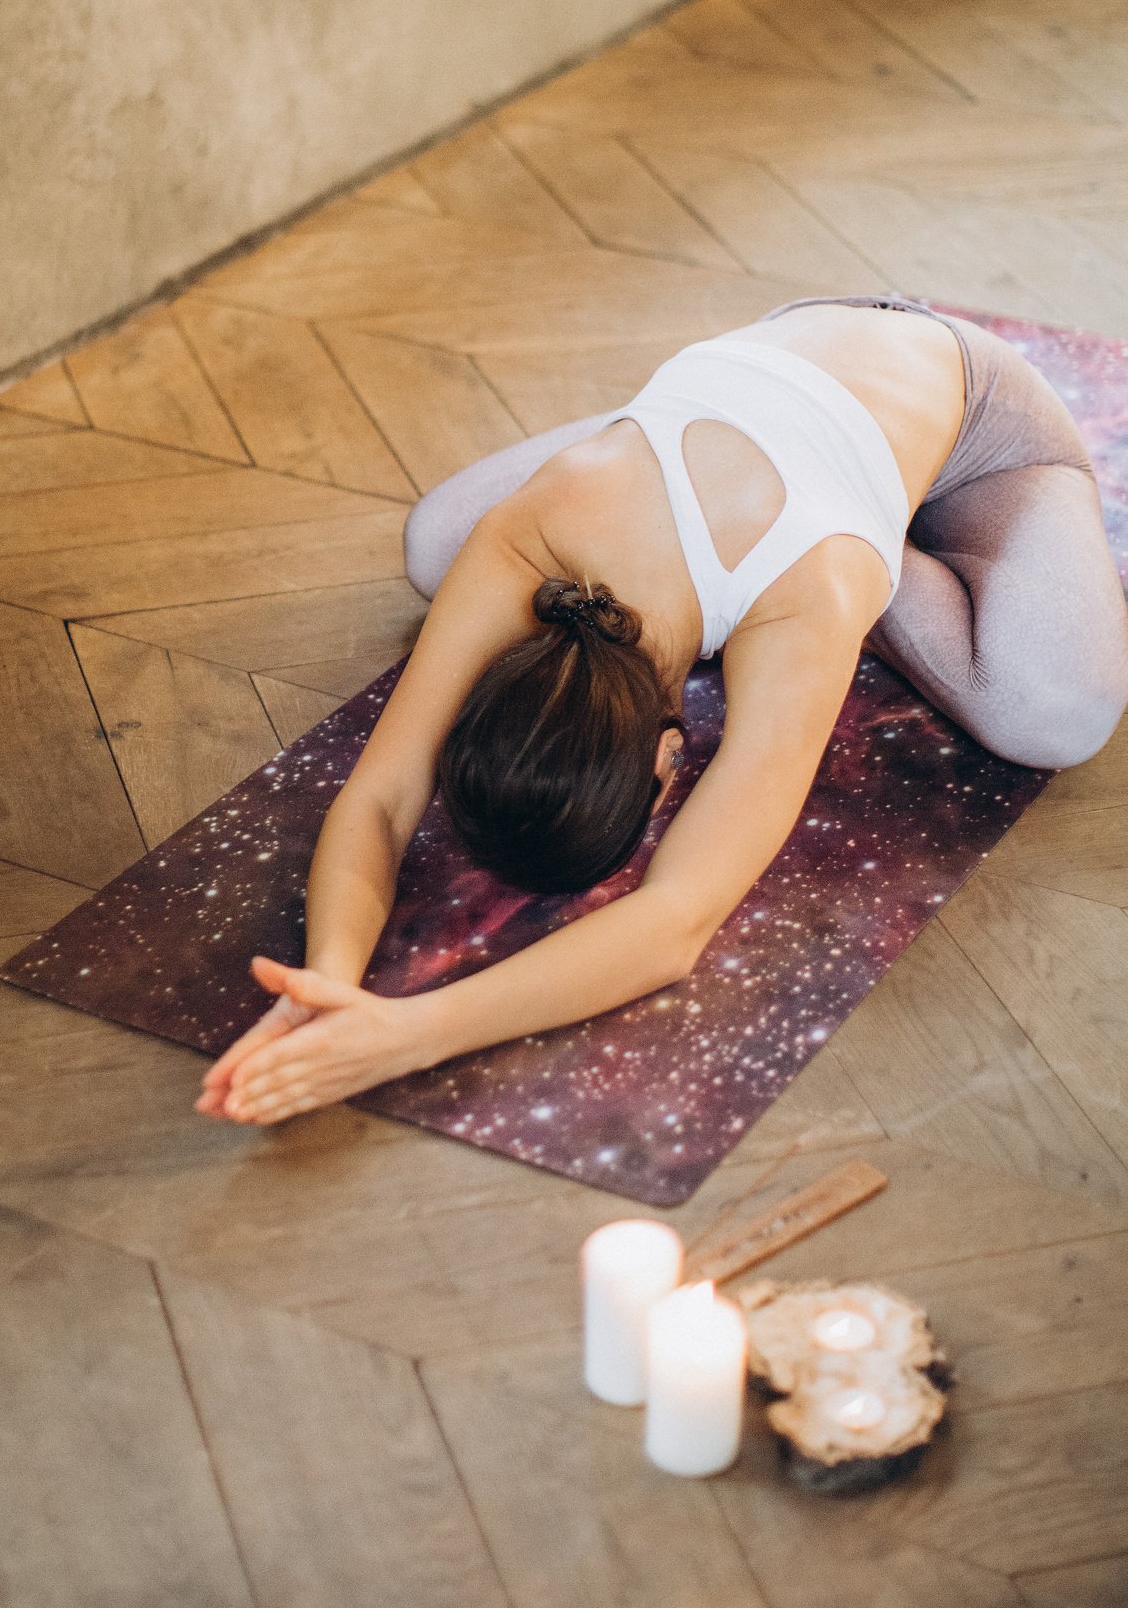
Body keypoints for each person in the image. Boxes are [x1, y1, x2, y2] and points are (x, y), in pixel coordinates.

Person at [196, 292, 1128, 1128]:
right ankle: (748, 464)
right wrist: (323, 982)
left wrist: (412, 1032)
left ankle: (895, 539)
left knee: (1054, 716)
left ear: (674, 752)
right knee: (440, 547)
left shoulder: (807, 593)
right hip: (776, 375)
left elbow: (675, 921)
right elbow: (380, 800)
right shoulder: (538, 528)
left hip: (973, 409)